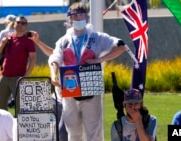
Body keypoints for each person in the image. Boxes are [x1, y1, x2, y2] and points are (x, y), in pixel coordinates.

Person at [48, 2, 126, 141]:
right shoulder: (64, 40)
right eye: (75, 16)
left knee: (93, 133)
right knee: (73, 133)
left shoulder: (96, 37)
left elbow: (120, 46)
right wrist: (54, 75)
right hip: (70, 92)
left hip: (91, 90)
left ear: (86, 17)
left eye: (81, 16)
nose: (78, 19)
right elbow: (55, 58)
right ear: (70, 19)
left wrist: (100, 59)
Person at [29, 31, 68, 141]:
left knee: (63, 131)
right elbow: (52, 53)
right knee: (51, 131)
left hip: (70, 100)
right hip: (57, 98)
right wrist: (37, 42)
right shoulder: (62, 50)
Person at [0, 16, 36, 110]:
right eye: (18, 22)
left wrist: (26, 75)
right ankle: (4, 123)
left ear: (26, 26)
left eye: (23, 23)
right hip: (4, 76)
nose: (20, 25)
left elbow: (33, 58)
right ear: (14, 24)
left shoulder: (28, 41)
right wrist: (3, 43)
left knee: (20, 106)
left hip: (18, 77)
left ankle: (19, 124)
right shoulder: (7, 37)